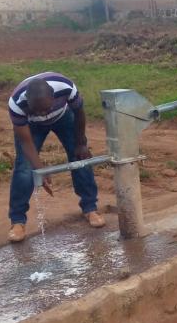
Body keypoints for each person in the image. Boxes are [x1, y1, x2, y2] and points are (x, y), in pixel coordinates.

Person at [7, 72, 104, 242]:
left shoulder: (65, 87)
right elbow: (26, 142)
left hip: (63, 117)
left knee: (80, 159)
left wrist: (80, 143)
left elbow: (79, 113)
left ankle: (90, 208)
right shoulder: (16, 104)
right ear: (28, 102)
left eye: (46, 108)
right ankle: (17, 221)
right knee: (24, 168)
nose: (43, 113)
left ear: (54, 96)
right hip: (32, 126)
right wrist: (40, 169)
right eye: (37, 110)